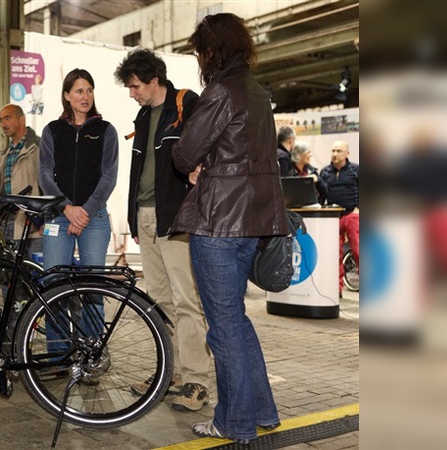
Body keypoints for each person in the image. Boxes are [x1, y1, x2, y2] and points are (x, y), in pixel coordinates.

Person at [170, 13, 286, 444]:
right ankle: (262, 411)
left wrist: (197, 165)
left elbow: (184, 153)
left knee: (222, 327)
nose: (199, 58)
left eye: (200, 49)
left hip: (218, 221)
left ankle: (233, 421)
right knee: (236, 319)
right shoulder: (257, 92)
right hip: (253, 223)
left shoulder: (219, 90)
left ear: (211, 49)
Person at [113, 48, 212, 411]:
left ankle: (197, 382)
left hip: (176, 216)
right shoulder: (142, 116)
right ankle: (170, 372)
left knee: (186, 299)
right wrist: (132, 216)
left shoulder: (186, 104)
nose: (132, 92)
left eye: (136, 85)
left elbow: (206, 152)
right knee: (158, 299)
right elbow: (137, 171)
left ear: (155, 80)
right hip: (144, 215)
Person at [38, 68, 118, 370]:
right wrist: (65, 208)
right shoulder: (52, 131)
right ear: (67, 96)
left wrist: (85, 210)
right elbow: (44, 174)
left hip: (94, 219)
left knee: (93, 288)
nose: (85, 96)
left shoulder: (106, 130)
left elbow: (109, 175)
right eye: (79, 91)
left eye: (89, 90)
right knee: (53, 285)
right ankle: (58, 356)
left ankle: (91, 355)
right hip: (58, 218)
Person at [0, 104, 43, 258]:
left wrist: (45, 219)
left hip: (32, 224)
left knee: (33, 275)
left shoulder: (37, 147)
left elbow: (48, 184)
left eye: (8, 118)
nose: (3, 124)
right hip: (7, 222)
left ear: (22, 120)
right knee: (10, 275)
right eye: (1, 120)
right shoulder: (5, 153)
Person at [320, 140, 359, 297]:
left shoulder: (356, 170)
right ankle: (337, 289)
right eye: (333, 150)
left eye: (339, 151)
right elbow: (322, 194)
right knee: (335, 255)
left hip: (352, 215)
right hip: (333, 217)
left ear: (347, 153)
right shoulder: (324, 172)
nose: (335, 154)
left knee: (359, 252)